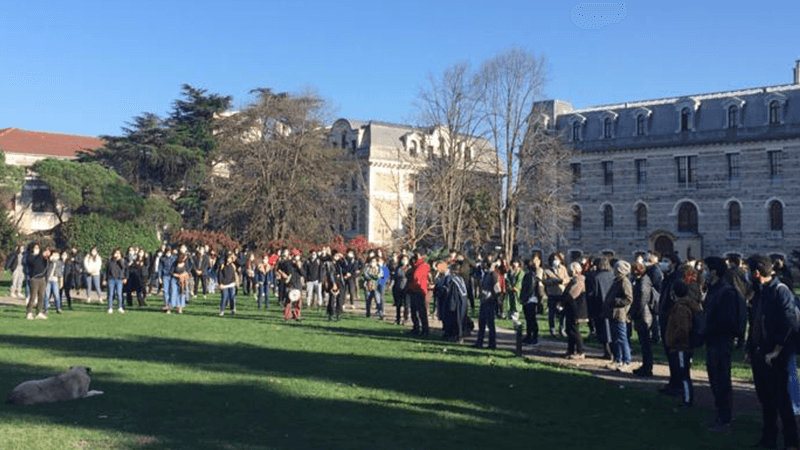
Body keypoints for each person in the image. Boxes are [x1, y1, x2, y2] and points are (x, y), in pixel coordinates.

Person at [746, 254, 799, 449]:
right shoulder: (760, 292)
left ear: (757, 273)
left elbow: (788, 324)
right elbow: (755, 323)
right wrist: (749, 349)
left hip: (777, 355)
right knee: (766, 400)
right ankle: (768, 439)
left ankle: (791, 441)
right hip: (760, 353)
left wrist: (776, 350)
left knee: (782, 400)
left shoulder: (780, 290)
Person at [703, 256, 746, 433]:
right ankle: (720, 414)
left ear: (714, 271)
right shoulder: (715, 289)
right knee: (714, 378)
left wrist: (709, 326)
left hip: (720, 340)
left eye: (707, 269)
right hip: (713, 339)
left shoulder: (726, 291)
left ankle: (724, 417)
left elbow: (726, 321)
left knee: (721, 379)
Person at [604, 260, 633, 371]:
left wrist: (615, 301)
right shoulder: (616, 281)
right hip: (612, 313)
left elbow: (629, 298)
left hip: (619, 313)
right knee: (615, 338)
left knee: (622, 338)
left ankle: (627, 361)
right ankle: (617, 359)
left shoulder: (624, 281)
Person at [630, 262, 655, 377]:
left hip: (644, 315)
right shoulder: (641, 280)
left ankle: (647, 367)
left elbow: (642, 299)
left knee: (645, 343)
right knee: (643, 343)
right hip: (642, 314)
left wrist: (634, 313)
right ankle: (646, 365)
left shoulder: (644, 281)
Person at [434, 261, 469, 342]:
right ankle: (458, 336)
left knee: (455, 320)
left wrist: (451, 305)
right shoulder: (460, 278)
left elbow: (449, 292)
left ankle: (456, 336)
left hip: (456, 302)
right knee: (460, 320)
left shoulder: (452, 280)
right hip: (463, 301)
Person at [475, 259, 502, 349]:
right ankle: (479, 342)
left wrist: (497, 301)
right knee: (481, 323)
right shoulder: (485, 274)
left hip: (489, 301)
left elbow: (497, 289)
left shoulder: (493, 275)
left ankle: (492, 344)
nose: (487, 266)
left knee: (490, 324)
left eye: (488, 265)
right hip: (483, 300)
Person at [563, 261, 587, 359]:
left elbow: (574, 294)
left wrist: (566, 297)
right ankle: (571, 350)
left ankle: (580, 351)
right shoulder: (574, 280)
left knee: (574, 330)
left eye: (571, 270)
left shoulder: (579, 280)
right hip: (571, 307)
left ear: (576, 271)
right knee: (569, 329)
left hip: (576, 308)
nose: (570, 272)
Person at [520, 255, 545, 345]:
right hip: (529, 299)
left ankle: (533, 337)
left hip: (531, 300)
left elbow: (530, 288)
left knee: (531, 319)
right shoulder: (528, 275)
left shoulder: (530, 276)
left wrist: (526, 298)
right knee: (528, 319)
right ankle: (528, 335)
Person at [406, 249, 431, 336]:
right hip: (413, 289)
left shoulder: (423, 265)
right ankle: (415, 327)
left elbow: (416, 275)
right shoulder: (415, 264)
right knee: (413, 311)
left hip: (419, 289)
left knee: (421, 311)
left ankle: (425, 329)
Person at [544, 253, 569, 337]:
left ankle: (562, 329)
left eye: (557, 259)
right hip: (552, 293)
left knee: (562, 312)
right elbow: (545, 281)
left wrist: (563, 281)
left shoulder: (563, 268)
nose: (556, 261)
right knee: (552, 313)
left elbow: (567, 279)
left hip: (561, 292)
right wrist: (554, 281)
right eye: (554, 259)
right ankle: (552, 330)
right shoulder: (547, 270)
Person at [25, 243, 47, 320]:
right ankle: (29, 312)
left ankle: (39, 312)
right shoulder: (29, 257)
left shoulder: (41, 257)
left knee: (42, 296)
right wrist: (39, 255)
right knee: (33, 296)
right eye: (35, 248)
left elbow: (45, 264)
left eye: (38, 248)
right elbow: (33, 263)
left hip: (42, 278)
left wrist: (47, 256)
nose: (37, 249)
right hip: (34, 279)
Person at [323, 249, 344, 321]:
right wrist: (333, 284)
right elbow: (330, 274)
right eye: (336, 255)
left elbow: (346, 264)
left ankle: (339, 314)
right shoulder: (330, 263)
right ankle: (331, 314)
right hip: (332, 282)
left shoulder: (339, 263)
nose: (337, 257)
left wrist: (342, 257)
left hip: (339, 281)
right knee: (332, 299)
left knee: (339, 299)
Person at [106, 248, 127, 314]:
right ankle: (110, 307)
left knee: (119, 294)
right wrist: (105, 279)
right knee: (111, 294)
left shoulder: (123, 261)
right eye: (116, 253)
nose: (117, 255)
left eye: (118, 253)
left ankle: (120, 307)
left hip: (119, 279)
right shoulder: (110, 261)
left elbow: (124, 268)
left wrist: (119, 260)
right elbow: (107, 270)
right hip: (111, 278)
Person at [43, 249, 63, 314]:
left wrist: (61, 283)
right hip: (48, 280)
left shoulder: (59, 262)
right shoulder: (49, 261)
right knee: (47, 295)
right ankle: (46, 309)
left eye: (57, 255)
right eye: (54, 254)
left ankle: (58, 308)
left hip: (55, 280)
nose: (55, 256)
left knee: (56, 295)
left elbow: (60, 273)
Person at [393, 254, 410, 325]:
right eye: (403, 259)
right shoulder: (398, 268)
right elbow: (395, 277)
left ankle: (405, 319)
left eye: (406, 259)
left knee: (406, 305)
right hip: (398, 287)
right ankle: (398, 318)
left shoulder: (409, 268)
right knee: (398, 304)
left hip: (407, 288)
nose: (404, 261)